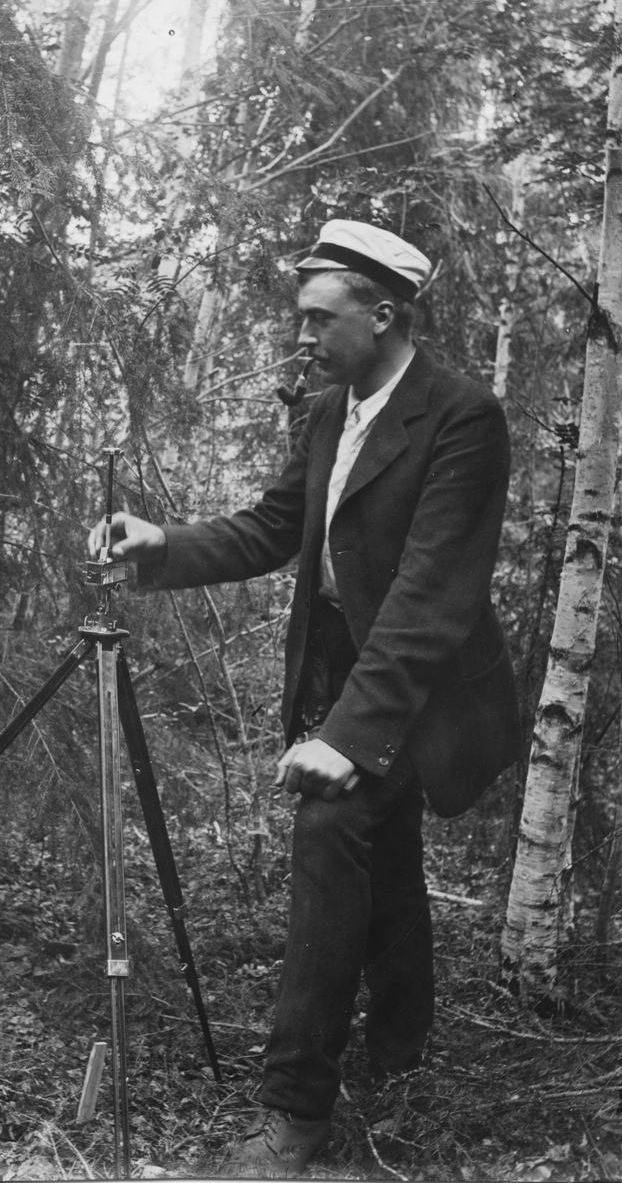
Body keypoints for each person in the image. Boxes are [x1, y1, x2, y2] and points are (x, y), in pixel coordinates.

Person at [87, 220, 523, 1178]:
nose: (303, 335)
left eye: (321, 318)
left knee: (332, 833)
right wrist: (162, 544)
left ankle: (294, 1112)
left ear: (385, 314)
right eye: (302, 317)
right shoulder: (330, 409)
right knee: (384, 848)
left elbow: (427, 598)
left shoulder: (462, 416)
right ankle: (402, 1043)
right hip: (337, 666)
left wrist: (347, 738)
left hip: (417, 684)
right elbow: (274, 526)